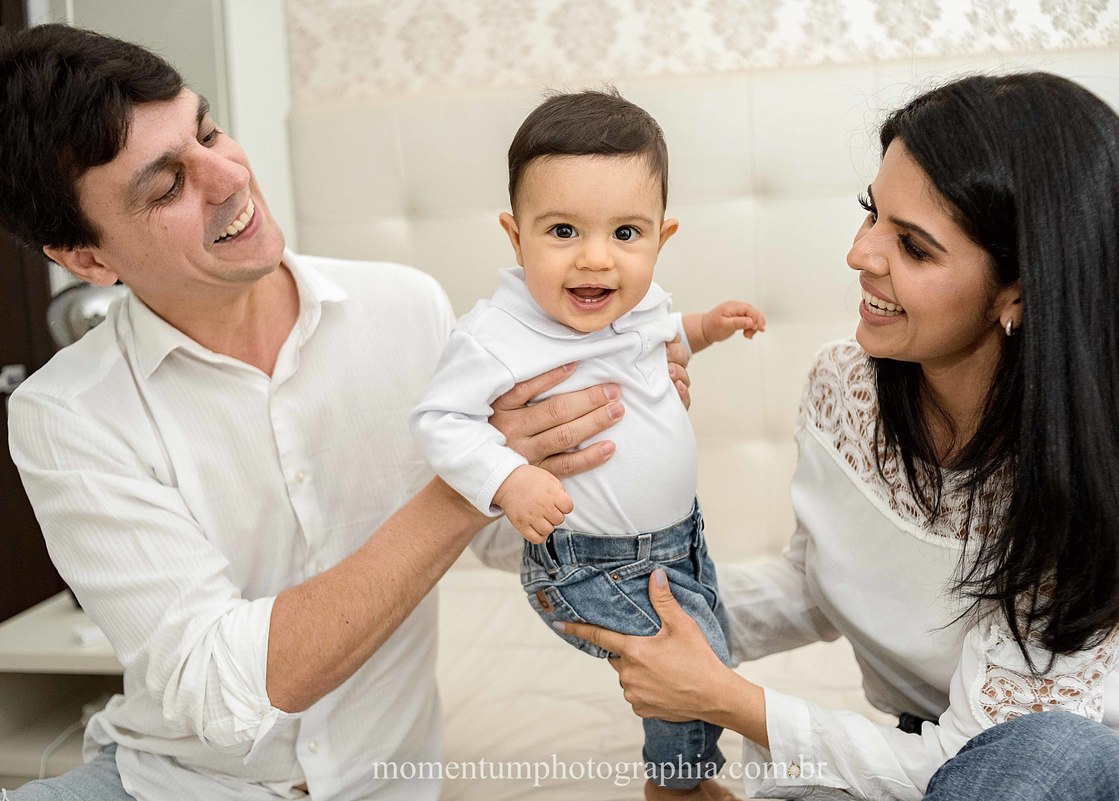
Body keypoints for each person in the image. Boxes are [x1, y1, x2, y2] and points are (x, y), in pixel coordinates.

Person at [0, 24, 648, 801]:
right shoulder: (66, 413)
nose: (228, 175)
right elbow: (224, 689)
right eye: (167, 184)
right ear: (88, 260)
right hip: (174, 783)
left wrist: (619, 412)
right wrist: (475, 478)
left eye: (207, 130)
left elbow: (516, 541)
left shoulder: (403, 306)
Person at [564, 72, 1119, 800]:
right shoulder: (846, 389)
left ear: (1019, 290)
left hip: (1094, 765)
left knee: (1031, 753)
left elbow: (983, 762)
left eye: (914, 246)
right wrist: (641, 603)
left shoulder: (1081, 496)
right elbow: (816, 588)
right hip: (940, 758)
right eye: (872, 212)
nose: (861, 253)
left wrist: (725, 698)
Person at [411, 90, 764, 801]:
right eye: (564, 230)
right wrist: (509, 479)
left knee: (706, 650)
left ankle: (681, 772)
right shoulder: (497, 335)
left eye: (626, 234)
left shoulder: (640, 304)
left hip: (681, 541)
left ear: (661, 237)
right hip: (588, 564)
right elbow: (440, 422)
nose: (596, 260)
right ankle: (678, 787)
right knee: (697, 665)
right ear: (516, 237)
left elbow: (664, 335)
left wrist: (706, 327)